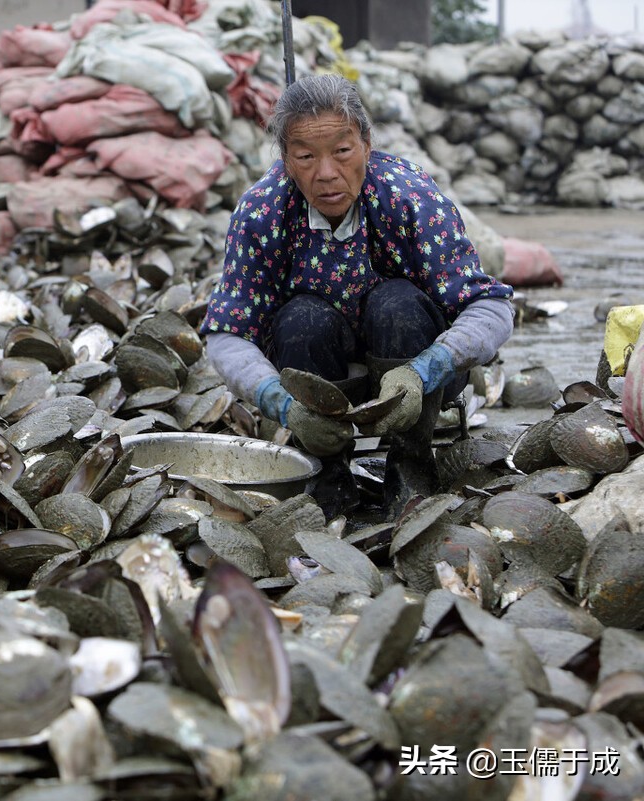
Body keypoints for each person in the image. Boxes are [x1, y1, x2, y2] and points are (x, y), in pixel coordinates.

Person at [201, 74, 514, 518]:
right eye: (306, 156)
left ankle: (410, 467)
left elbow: (493, 307)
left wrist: (429, 368)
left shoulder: (408, 197)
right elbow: (226, 334)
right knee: (302, 318)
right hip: (317, 378)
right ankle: (328, 475)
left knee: (397, 303)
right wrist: (281, 404)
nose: (326, 174)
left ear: (366, 144)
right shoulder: (262, 212)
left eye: (342, 152)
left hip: (417, 375)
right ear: (286, 159)